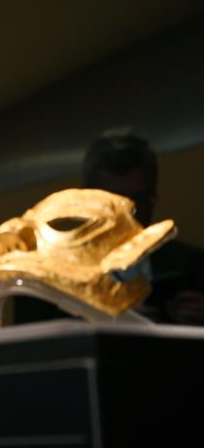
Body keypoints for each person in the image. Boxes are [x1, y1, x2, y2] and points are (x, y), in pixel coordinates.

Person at [15, 130, 204, 325]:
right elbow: (27, 335)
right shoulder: (42, 274)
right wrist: (102, 319)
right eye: (114, 202)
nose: (129, 214)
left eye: (139, 200)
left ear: (153, 197)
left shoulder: (192, 265)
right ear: (87, 198)